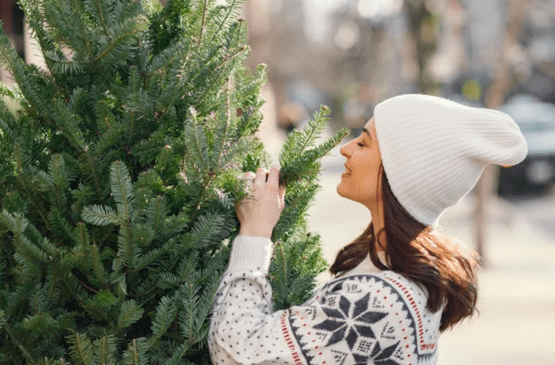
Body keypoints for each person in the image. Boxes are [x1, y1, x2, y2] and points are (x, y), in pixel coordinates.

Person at [207, 94, 528, 365]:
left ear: (399, 172)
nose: (347, 149)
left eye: (364, 142)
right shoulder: (402, 274)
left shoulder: (378, 301)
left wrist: (254, 233)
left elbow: (234, 351)